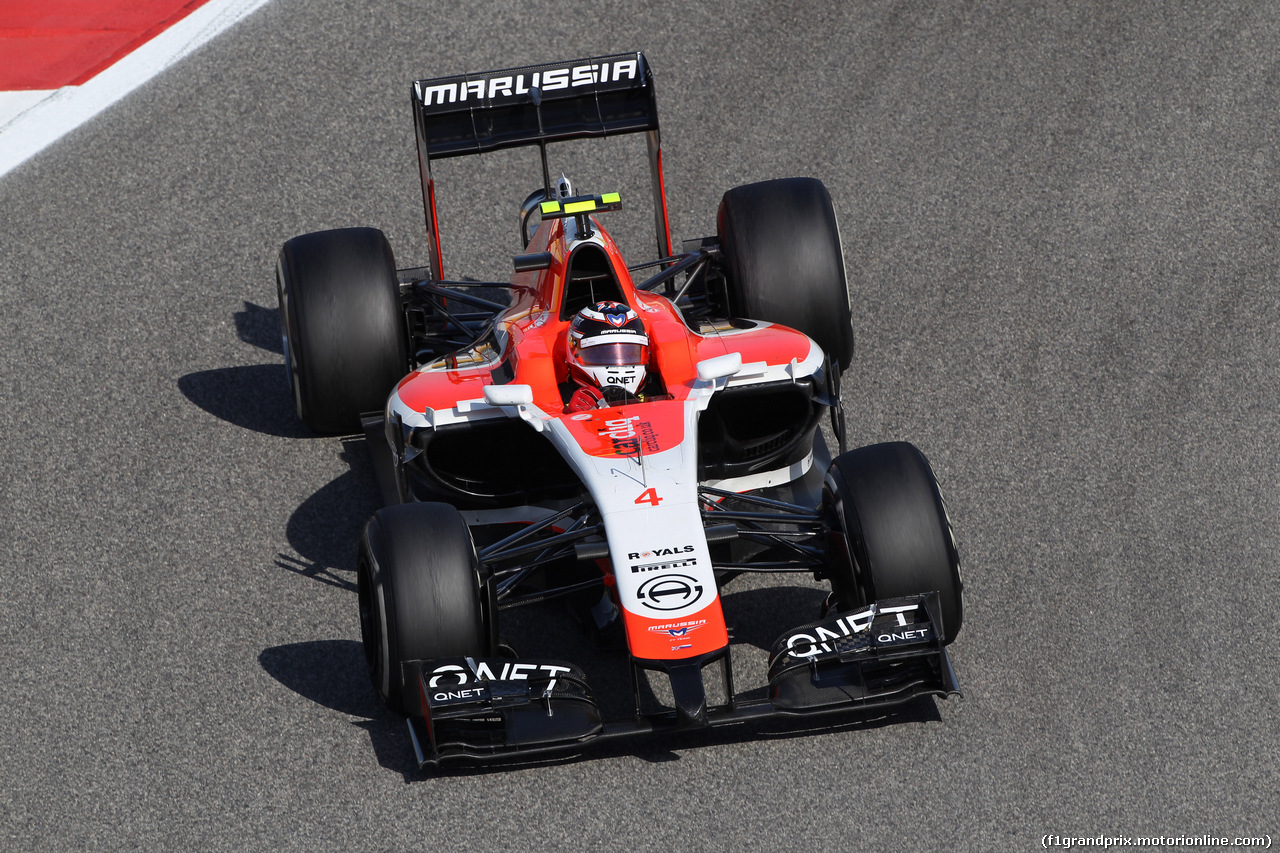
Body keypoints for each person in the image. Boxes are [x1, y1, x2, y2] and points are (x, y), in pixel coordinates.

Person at [564, 300, 651, 411]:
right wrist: (568, 414)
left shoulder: (657, 390)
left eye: (629, 353)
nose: (619, 362)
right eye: (602, 354)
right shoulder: (561, 396)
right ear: (574, 350)